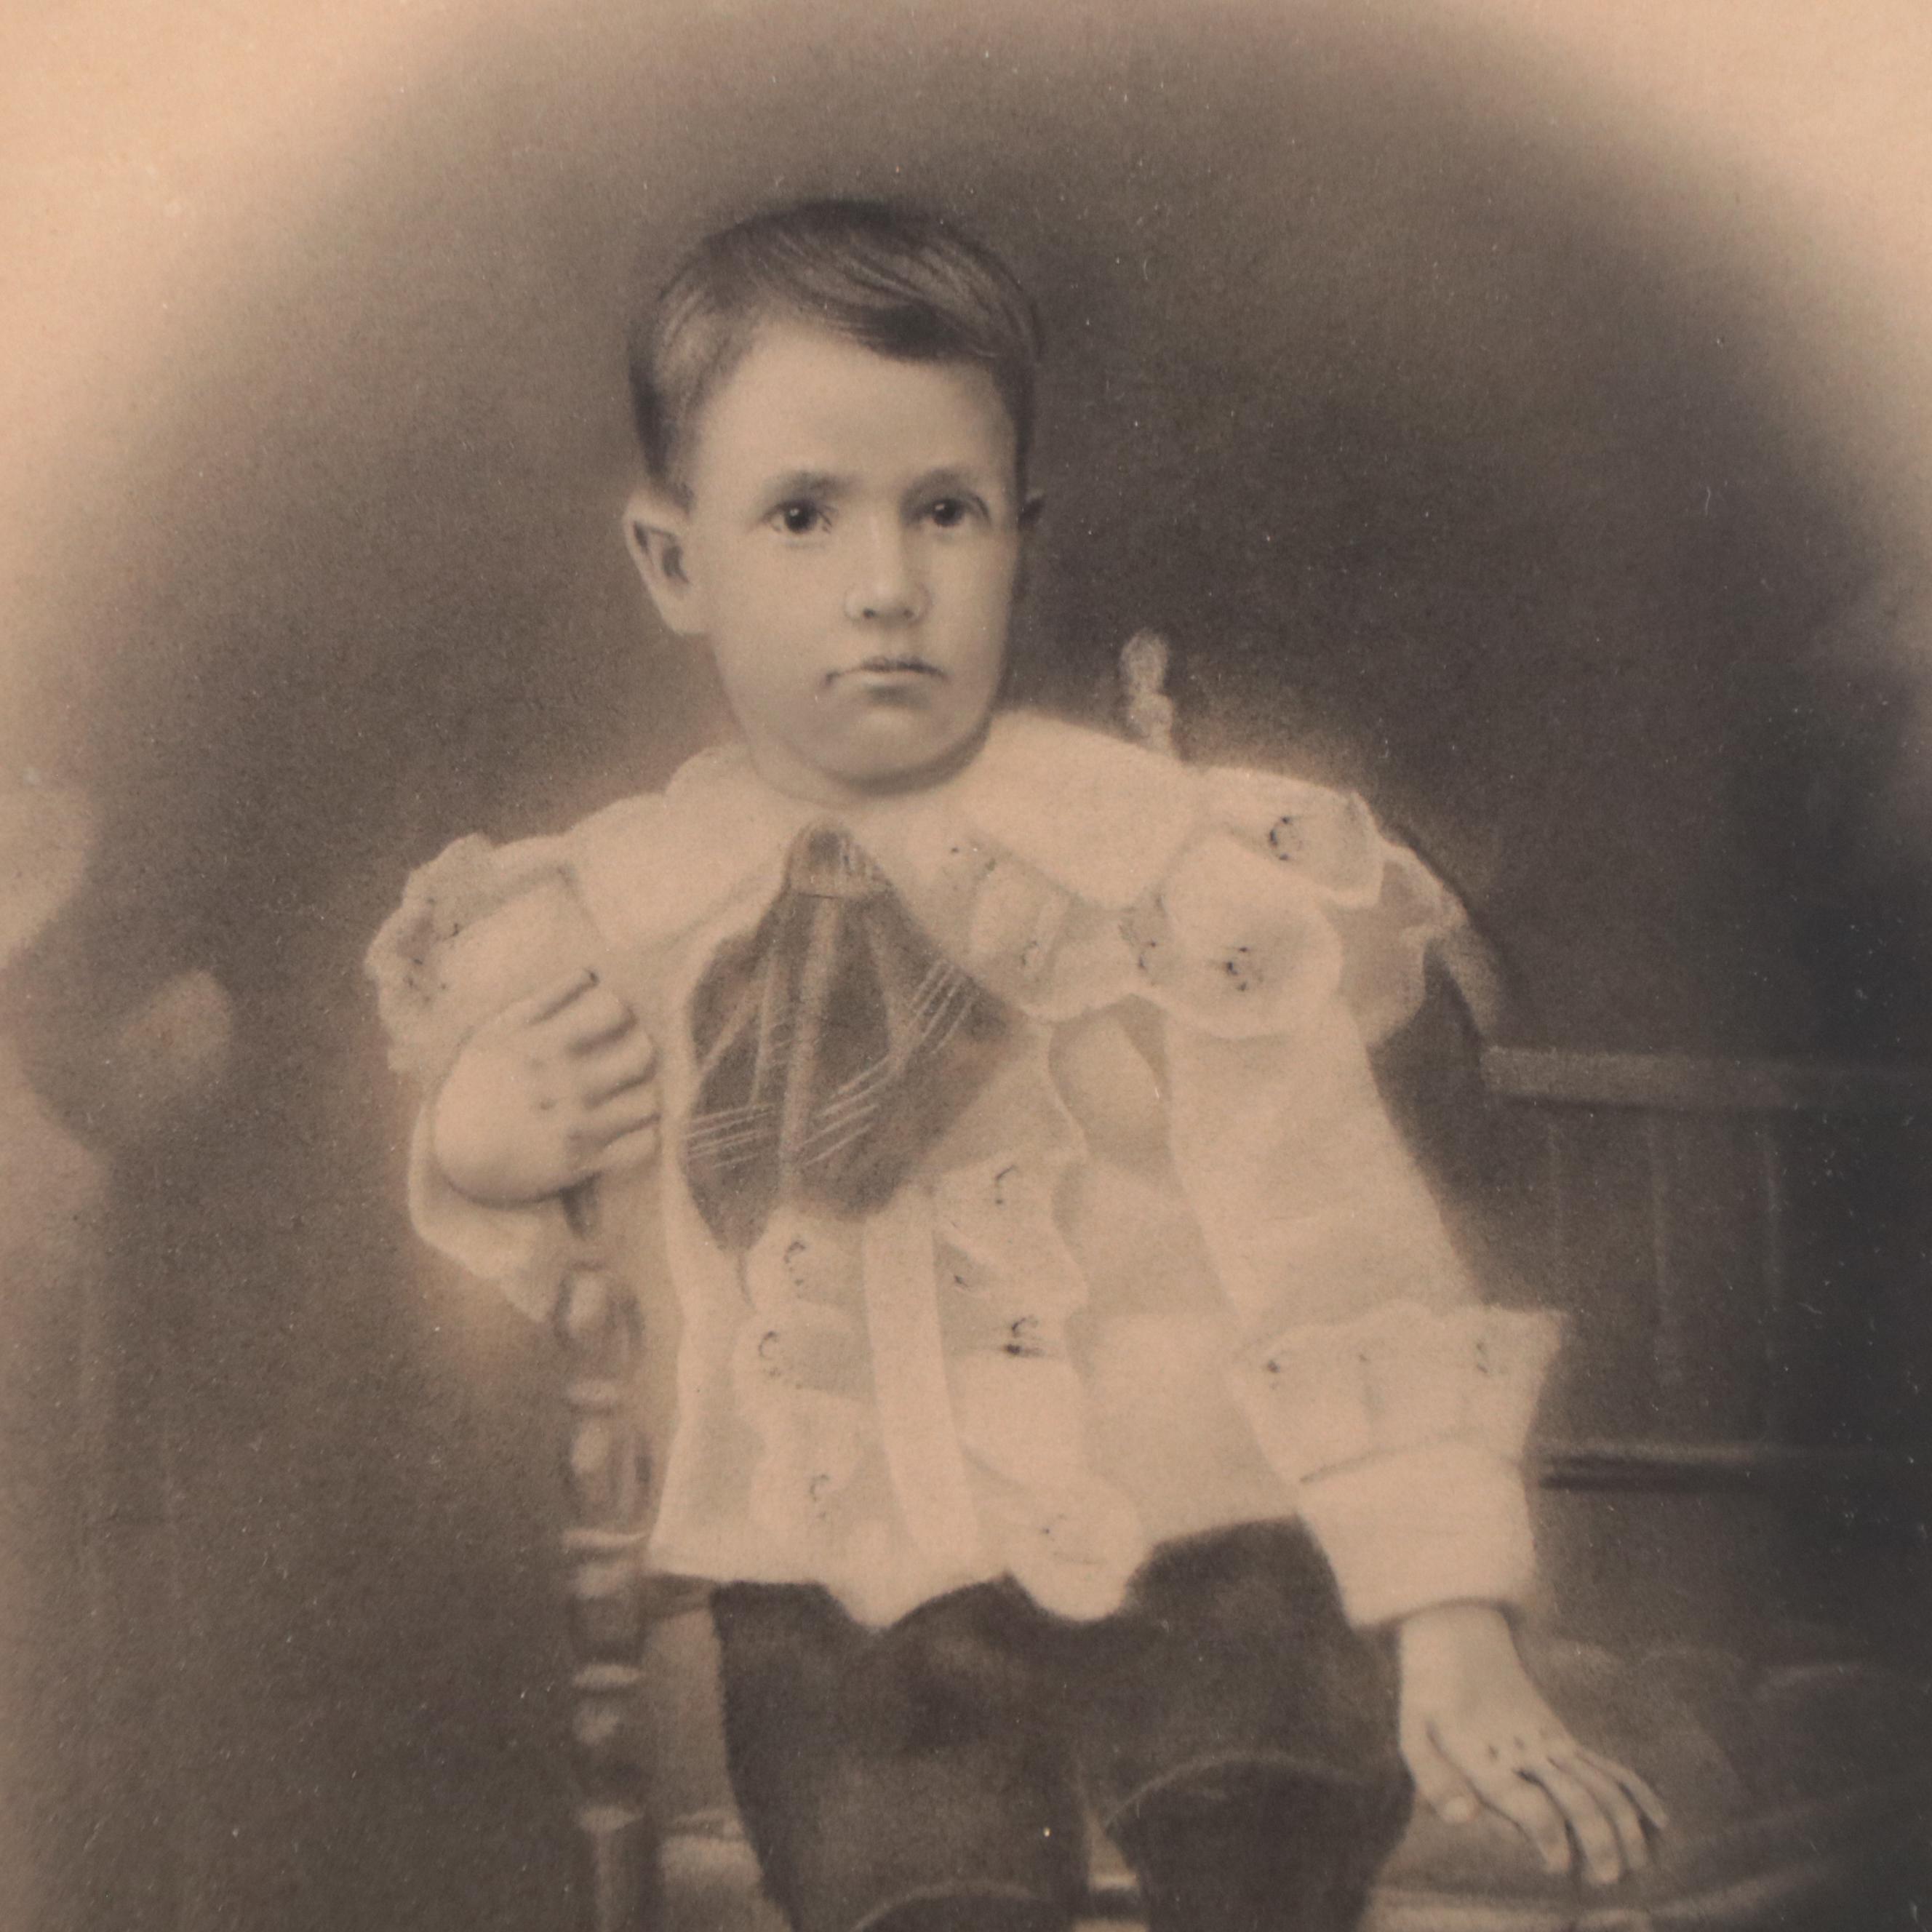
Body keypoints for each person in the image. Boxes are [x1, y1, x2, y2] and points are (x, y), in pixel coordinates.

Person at [367, 199, 1666, 1932]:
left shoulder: (1154, 870)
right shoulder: (630, 906)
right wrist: (479, 1141)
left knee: (1267, 1792)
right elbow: (562, 1239)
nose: (886, 584)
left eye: (946, 513)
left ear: (1019, 538)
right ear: (675, 563)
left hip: (1208, 1556)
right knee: (906, 1870)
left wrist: (1447, 1614)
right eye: (803, 516)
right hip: (855, 1596)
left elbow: (1339, 1243)